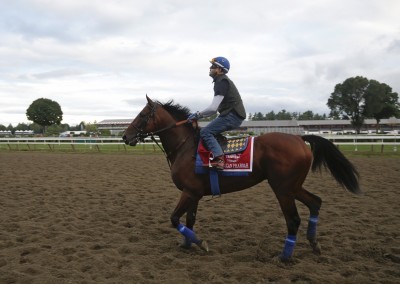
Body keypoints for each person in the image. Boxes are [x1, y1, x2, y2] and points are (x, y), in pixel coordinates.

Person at [187, 56, 246, 170]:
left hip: (232, 116)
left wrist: (197, 115)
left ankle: (220, 159)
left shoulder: (222, 81)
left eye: (213, 66)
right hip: (231, 115)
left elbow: (213, 108)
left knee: (206, 132)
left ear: (219, 70)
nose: (210, 68)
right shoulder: (221, 81)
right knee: (207, 131)